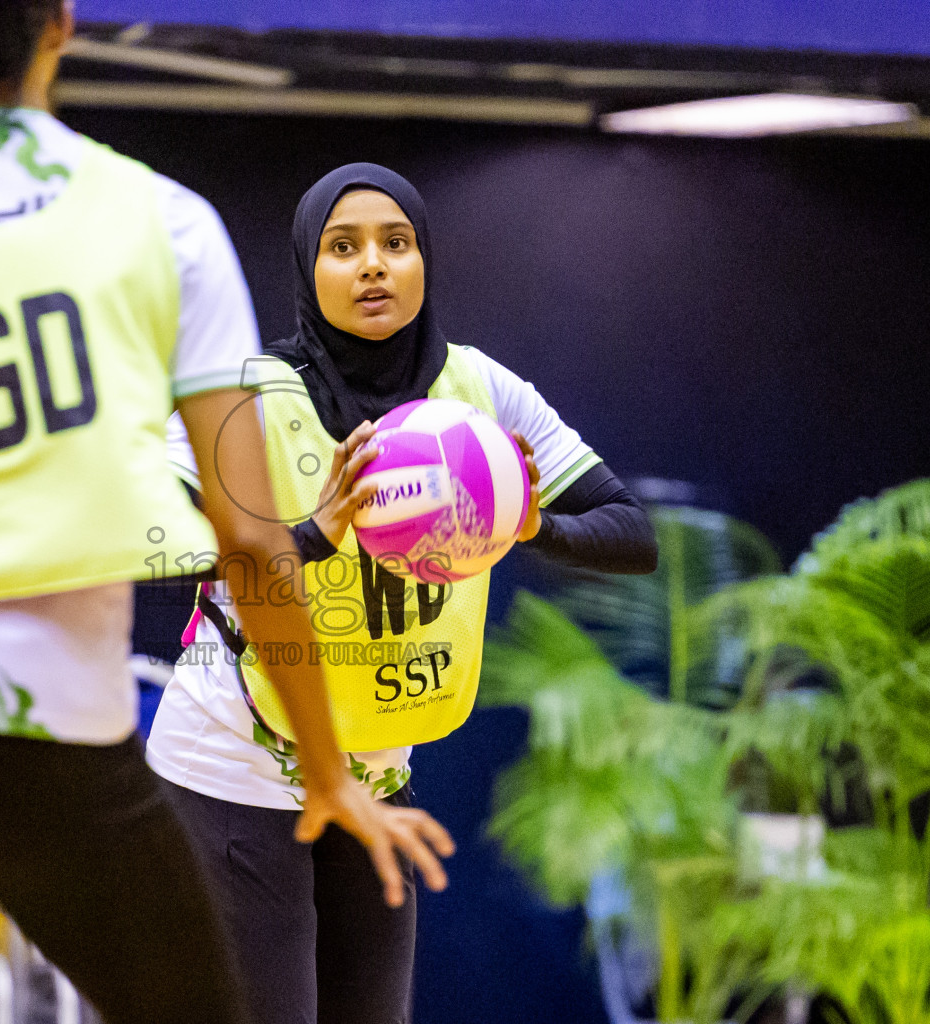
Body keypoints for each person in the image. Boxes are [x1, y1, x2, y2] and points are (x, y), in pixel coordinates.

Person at [0, 5, 453, 1024]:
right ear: (63, 27)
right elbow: (251, 539)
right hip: (51, 712)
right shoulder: (162, 220)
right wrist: (329, 771)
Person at [147, 163, 659, 1024]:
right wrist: (309, 533)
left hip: (377, 775)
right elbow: (148, 545)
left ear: (426, 261)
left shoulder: (484, 395)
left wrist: (532, 525)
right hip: (230, 766)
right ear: (309, 267)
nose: (374, 265)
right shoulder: (246, 398)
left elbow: (630, 533)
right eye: (344, 248)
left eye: (396, 243)